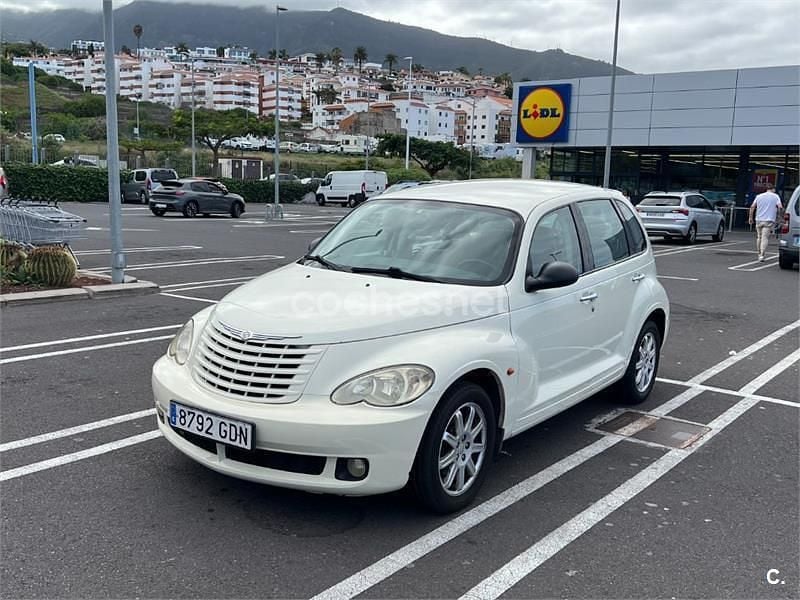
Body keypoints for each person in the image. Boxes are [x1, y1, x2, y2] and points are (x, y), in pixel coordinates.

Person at [749, 185, 783, 262]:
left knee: (759, 237)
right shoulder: (775, 196)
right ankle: (762, 255)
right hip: (769, 220)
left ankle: (759, 253)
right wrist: (780, 217)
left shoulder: (759, 196)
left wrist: (750, 218)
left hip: (758, 219)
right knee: (765, 238)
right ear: (773, 189)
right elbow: (780, 207)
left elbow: (752, 207)